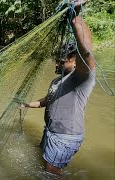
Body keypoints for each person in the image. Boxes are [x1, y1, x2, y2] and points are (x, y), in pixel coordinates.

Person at [20, 0, 95, 175]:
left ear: (75, 61)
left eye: (63, 60)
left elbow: (87, 53)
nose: (58, 63)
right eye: (57, 59)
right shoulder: (56, 81)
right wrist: (25, 105)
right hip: (51, 132)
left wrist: (76, 18)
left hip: (64, 137)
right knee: (47, 167)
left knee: (50, 175)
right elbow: (47, 101)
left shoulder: (81, 78)